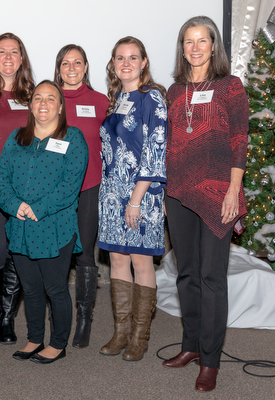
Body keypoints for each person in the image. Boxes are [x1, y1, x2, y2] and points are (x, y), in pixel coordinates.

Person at [163, 16, 248, 392]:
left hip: (217, 193)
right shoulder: (173, 91)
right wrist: (165, 194)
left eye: (202, 41)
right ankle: (191, 346)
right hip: (179, 192)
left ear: (214, 45)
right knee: (186, 274)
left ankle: (210, 360)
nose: (195, 48)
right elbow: (168, 144)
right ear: (182, 48)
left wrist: (234, 189)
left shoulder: (231, 87)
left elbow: (240, 140)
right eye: (188, 42)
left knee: (212, 279)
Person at [0, 80, 88, 364]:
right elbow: (3, 178)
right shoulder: (16, 138)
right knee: (30, 288)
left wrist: (38, 208)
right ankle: (35, 338)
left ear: (60, 106)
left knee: (55, 288)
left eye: (51, 98)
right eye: (38, 98)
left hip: (55, 227)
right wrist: (15, 206)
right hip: (20, 225)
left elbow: (70, 186)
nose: (44, 103)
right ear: (31, 104)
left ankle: (58, 343)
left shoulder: (74, 138)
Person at [98, 37, 167, 362]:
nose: (126, 63)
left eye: (133, 57)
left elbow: (155, 152)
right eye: (120, 58)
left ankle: (140, 337)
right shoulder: (116, 100)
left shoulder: (151, 97)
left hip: (142, 195)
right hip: (112, 195)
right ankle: (120, 332)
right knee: (117, 260)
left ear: (143, 62)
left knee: (141, 261)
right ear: (113, 63)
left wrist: (136, 199)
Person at [0, 33, 35, 346]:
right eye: (3, 51)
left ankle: (6, 318)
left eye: (15, 51)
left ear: (22, 59)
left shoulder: (32, 95)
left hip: (24, 187)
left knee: (18, 252)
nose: (9, 57)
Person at [53, 44, 109, 349]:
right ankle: (58, 317)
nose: (71, 67)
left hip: (89, 187)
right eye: (65, 63)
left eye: (77, 62)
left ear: (86, 66)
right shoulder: (48, 98)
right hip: (54, 191)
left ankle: (85, 319)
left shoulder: (101, 102)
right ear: (59, 67)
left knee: (85, 255)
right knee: (56, 254)